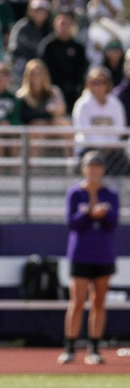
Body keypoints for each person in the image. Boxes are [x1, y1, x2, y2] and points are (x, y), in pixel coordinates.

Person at [61, 150, 118, 365]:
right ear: (84, 168)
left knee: (99, 301)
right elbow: (72, 224)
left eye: (97, 166)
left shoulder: (110, 194)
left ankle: (94, 348)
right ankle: (70, 347)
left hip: (103, 254)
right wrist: (87, 212)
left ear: (102, 169)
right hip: (81, 254)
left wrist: (100, 212)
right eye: (89, 166)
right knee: (77, 301)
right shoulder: (75, 193)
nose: (93, 170)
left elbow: (112, 224)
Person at [71, 67, 127, 175]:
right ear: (89, 84)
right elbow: (84, 131)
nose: (99, 86)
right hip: (88, 148)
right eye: (95, 82)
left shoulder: (115, 103)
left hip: (111, 149)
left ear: (108, 84)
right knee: (92, 160)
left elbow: (119, 129)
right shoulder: (82, 104)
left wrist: (108, 145)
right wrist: (102, 145)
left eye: (103, 82)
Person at [38, 9, 88, 112]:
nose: (63, 27)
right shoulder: (48, 46)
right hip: (53, 91)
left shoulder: (79, 47)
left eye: (67, 23)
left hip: (75, 91)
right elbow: (43, 70)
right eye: (61, 23)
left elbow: (82, 70)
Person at [7, 0, 52, 81]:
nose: (40, 13)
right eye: (37, 10)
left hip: (44, 68)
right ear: (30, 11)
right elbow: (13, 49)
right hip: (24, 67)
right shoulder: (21, 27)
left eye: (43, 10)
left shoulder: (51, 29)